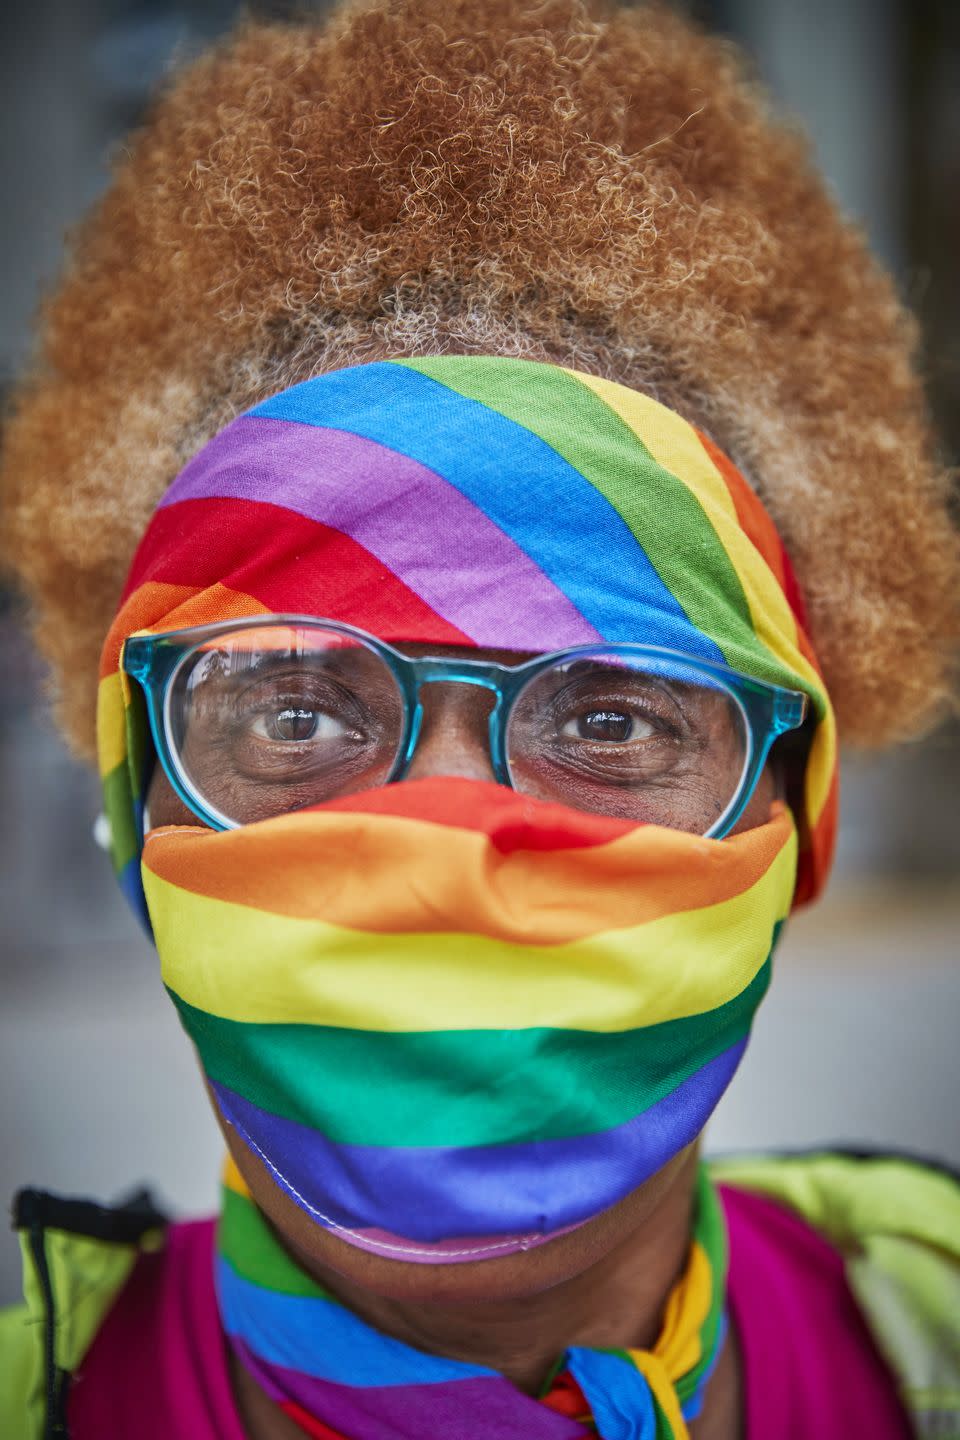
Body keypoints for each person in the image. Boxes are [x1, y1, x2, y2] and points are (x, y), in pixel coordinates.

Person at [1, 2, 958, 1438]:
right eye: (299, 713)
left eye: (619, 722)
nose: (445, 853)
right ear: (137, 815)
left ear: (792, 820)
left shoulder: (925, 1322)